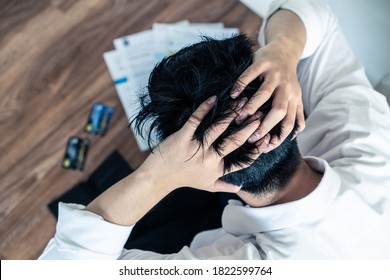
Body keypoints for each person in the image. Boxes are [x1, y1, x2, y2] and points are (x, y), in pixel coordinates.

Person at [39, 0, 390, 259]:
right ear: (292, 107)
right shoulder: (366, 136)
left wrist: (156, 177)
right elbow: (318, 18)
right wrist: (282, 51)